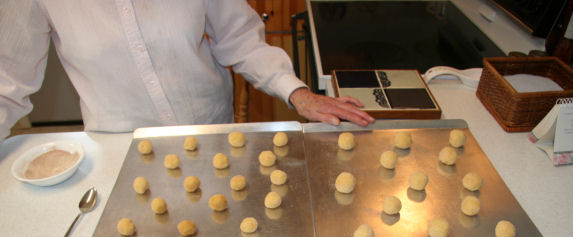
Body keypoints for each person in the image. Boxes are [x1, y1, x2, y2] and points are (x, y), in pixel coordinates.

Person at [0, 0, 374, 143]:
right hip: (120, 154)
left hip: (213, 136)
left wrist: (298, 93)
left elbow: (241, 39)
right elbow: (7, 85)